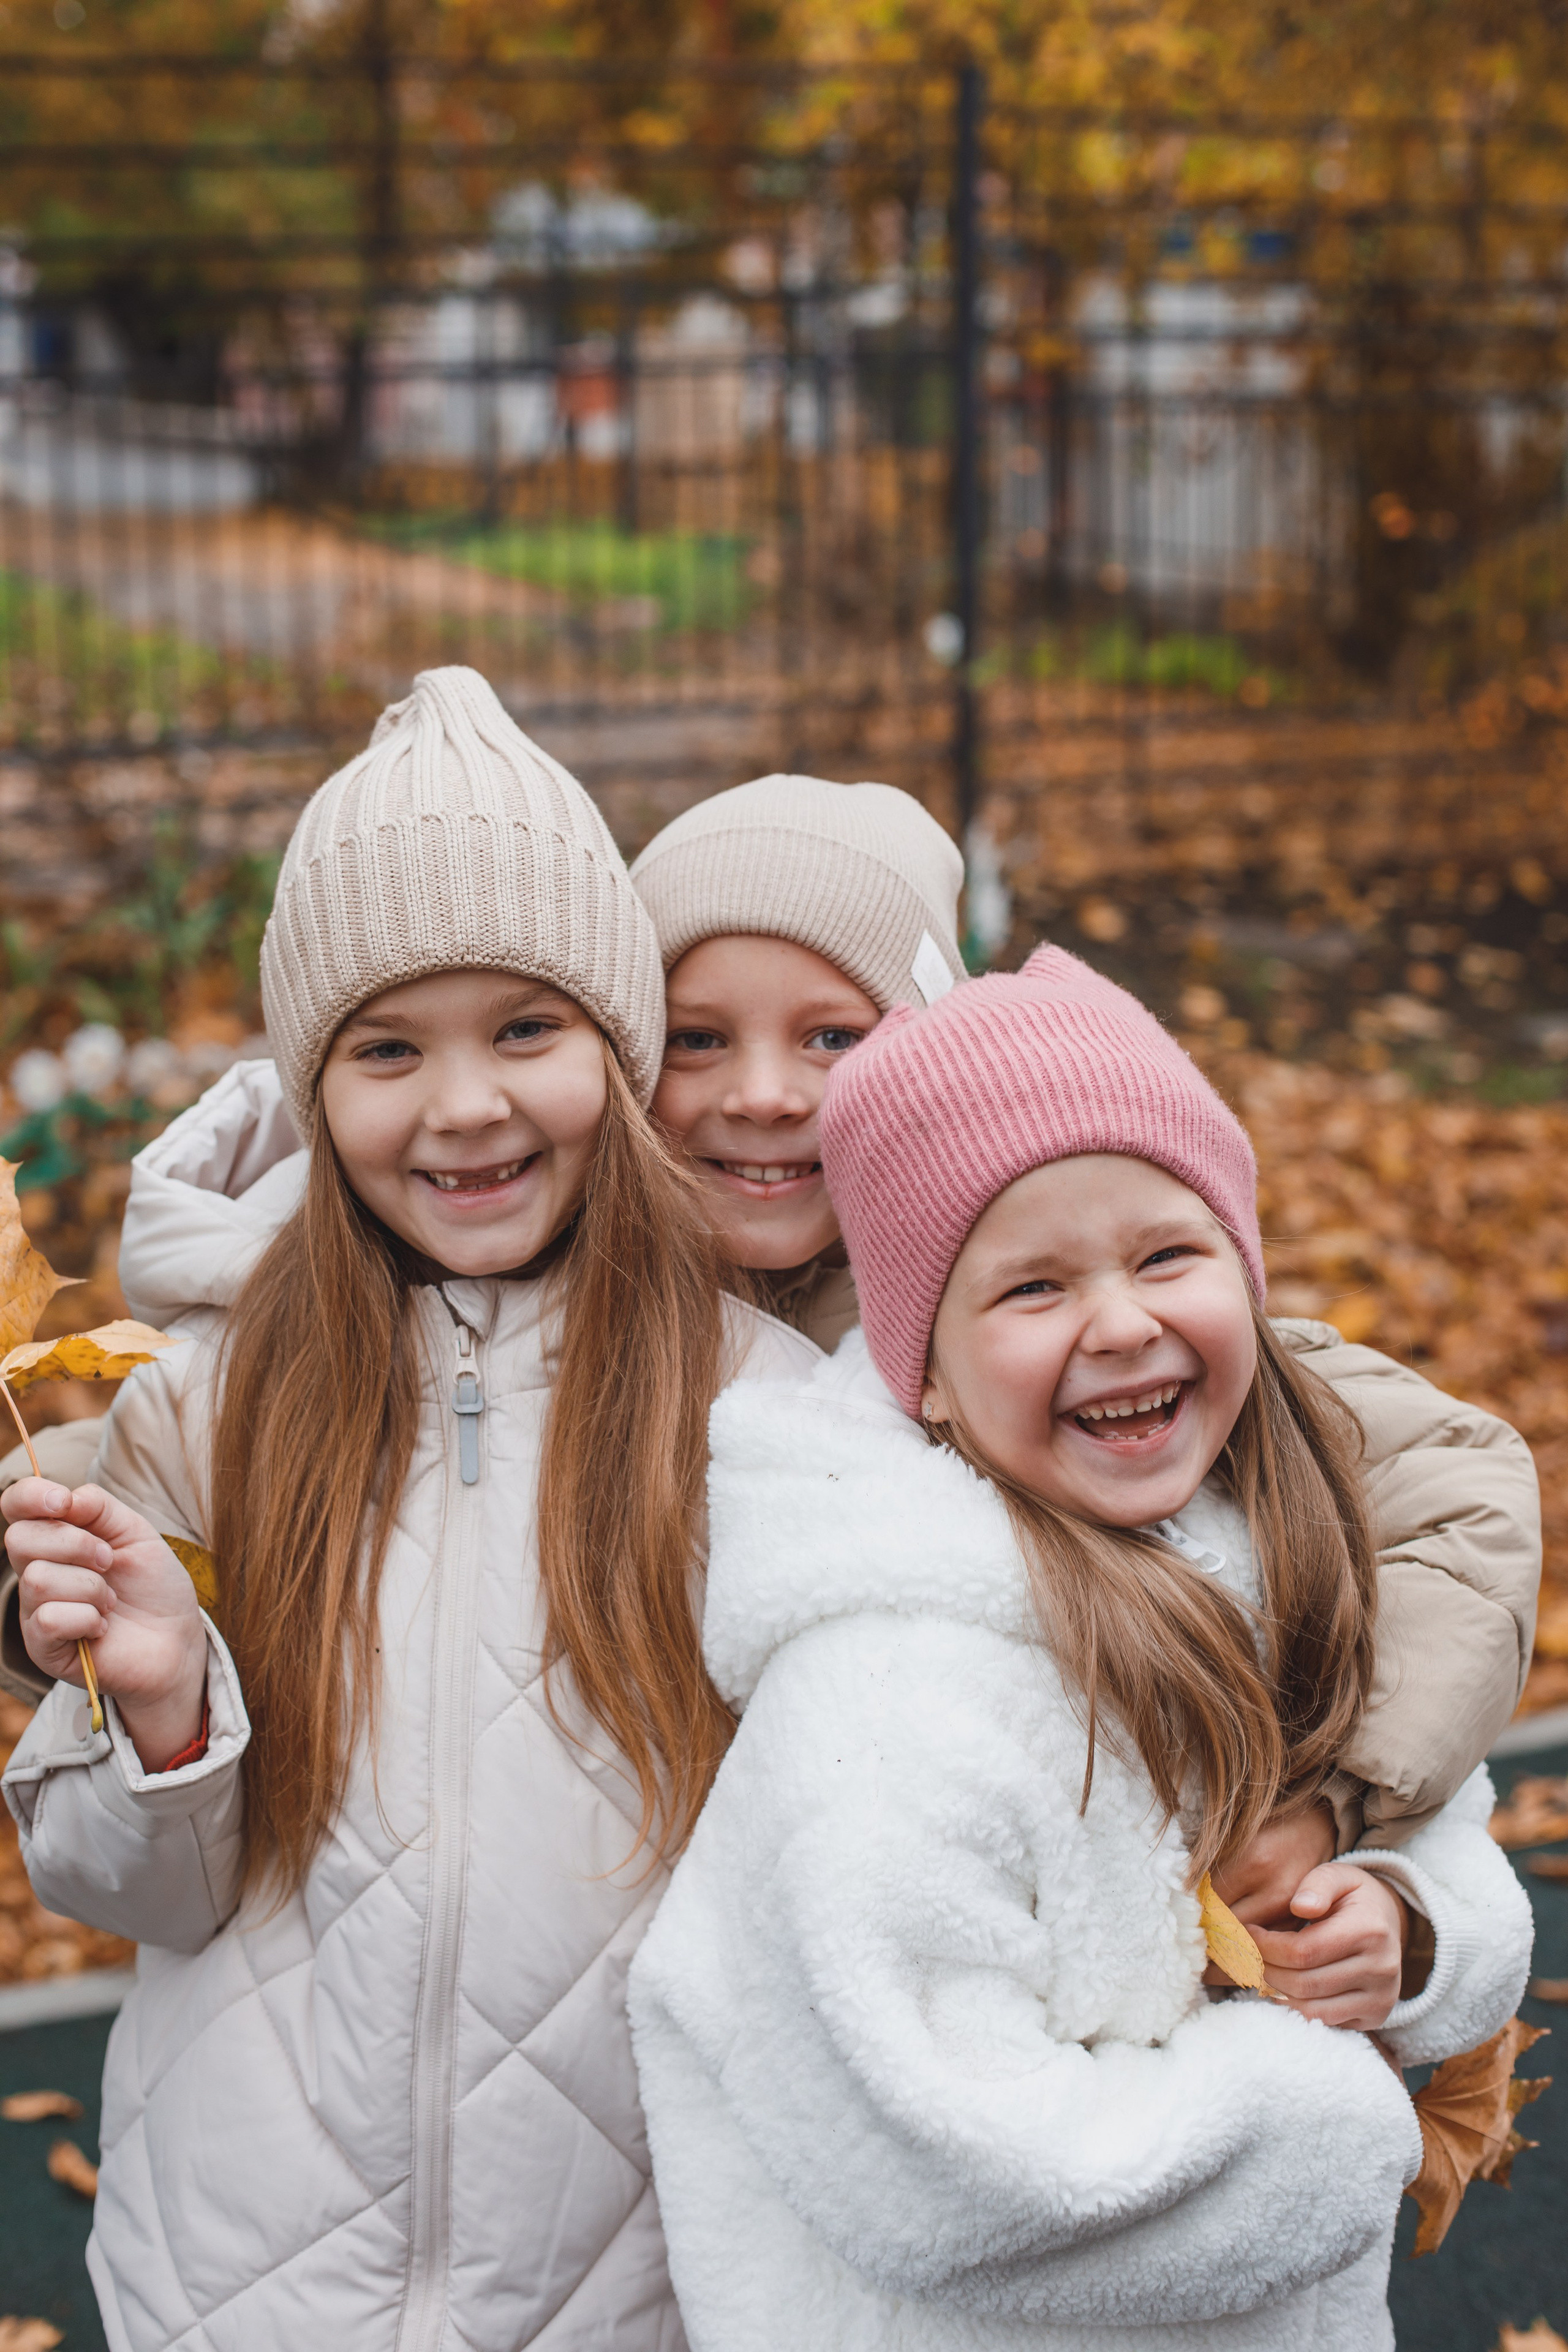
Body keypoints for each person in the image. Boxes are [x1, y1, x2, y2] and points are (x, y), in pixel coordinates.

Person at [0, 667, 816, 2351]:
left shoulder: (758, 1411)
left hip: (638, 2273)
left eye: (528, 1029)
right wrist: (157, 1713)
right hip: (243, 2278)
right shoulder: (216, 1401)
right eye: (389, 1049)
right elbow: (120, 1886)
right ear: (316, 1089)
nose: (464, 1107)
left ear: (618, 1048)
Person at [628, 944, 1534, 2352]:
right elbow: (960, 2171)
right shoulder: (886, 1710)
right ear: (917, 1367)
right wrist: (1339, 2108)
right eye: (1033, 1290)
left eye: (1167, 1255)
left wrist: (1409, 1936)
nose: (1121, 1323)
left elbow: (1444, 1820)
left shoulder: (1251, 1541)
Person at [629, 772, 1540, 1863]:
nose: (766, 1093)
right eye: (696, 1041)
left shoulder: (1089, 1310)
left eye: (833, 1039)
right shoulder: (599, 1328)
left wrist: (1338, 1801)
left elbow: (1460, 1484)